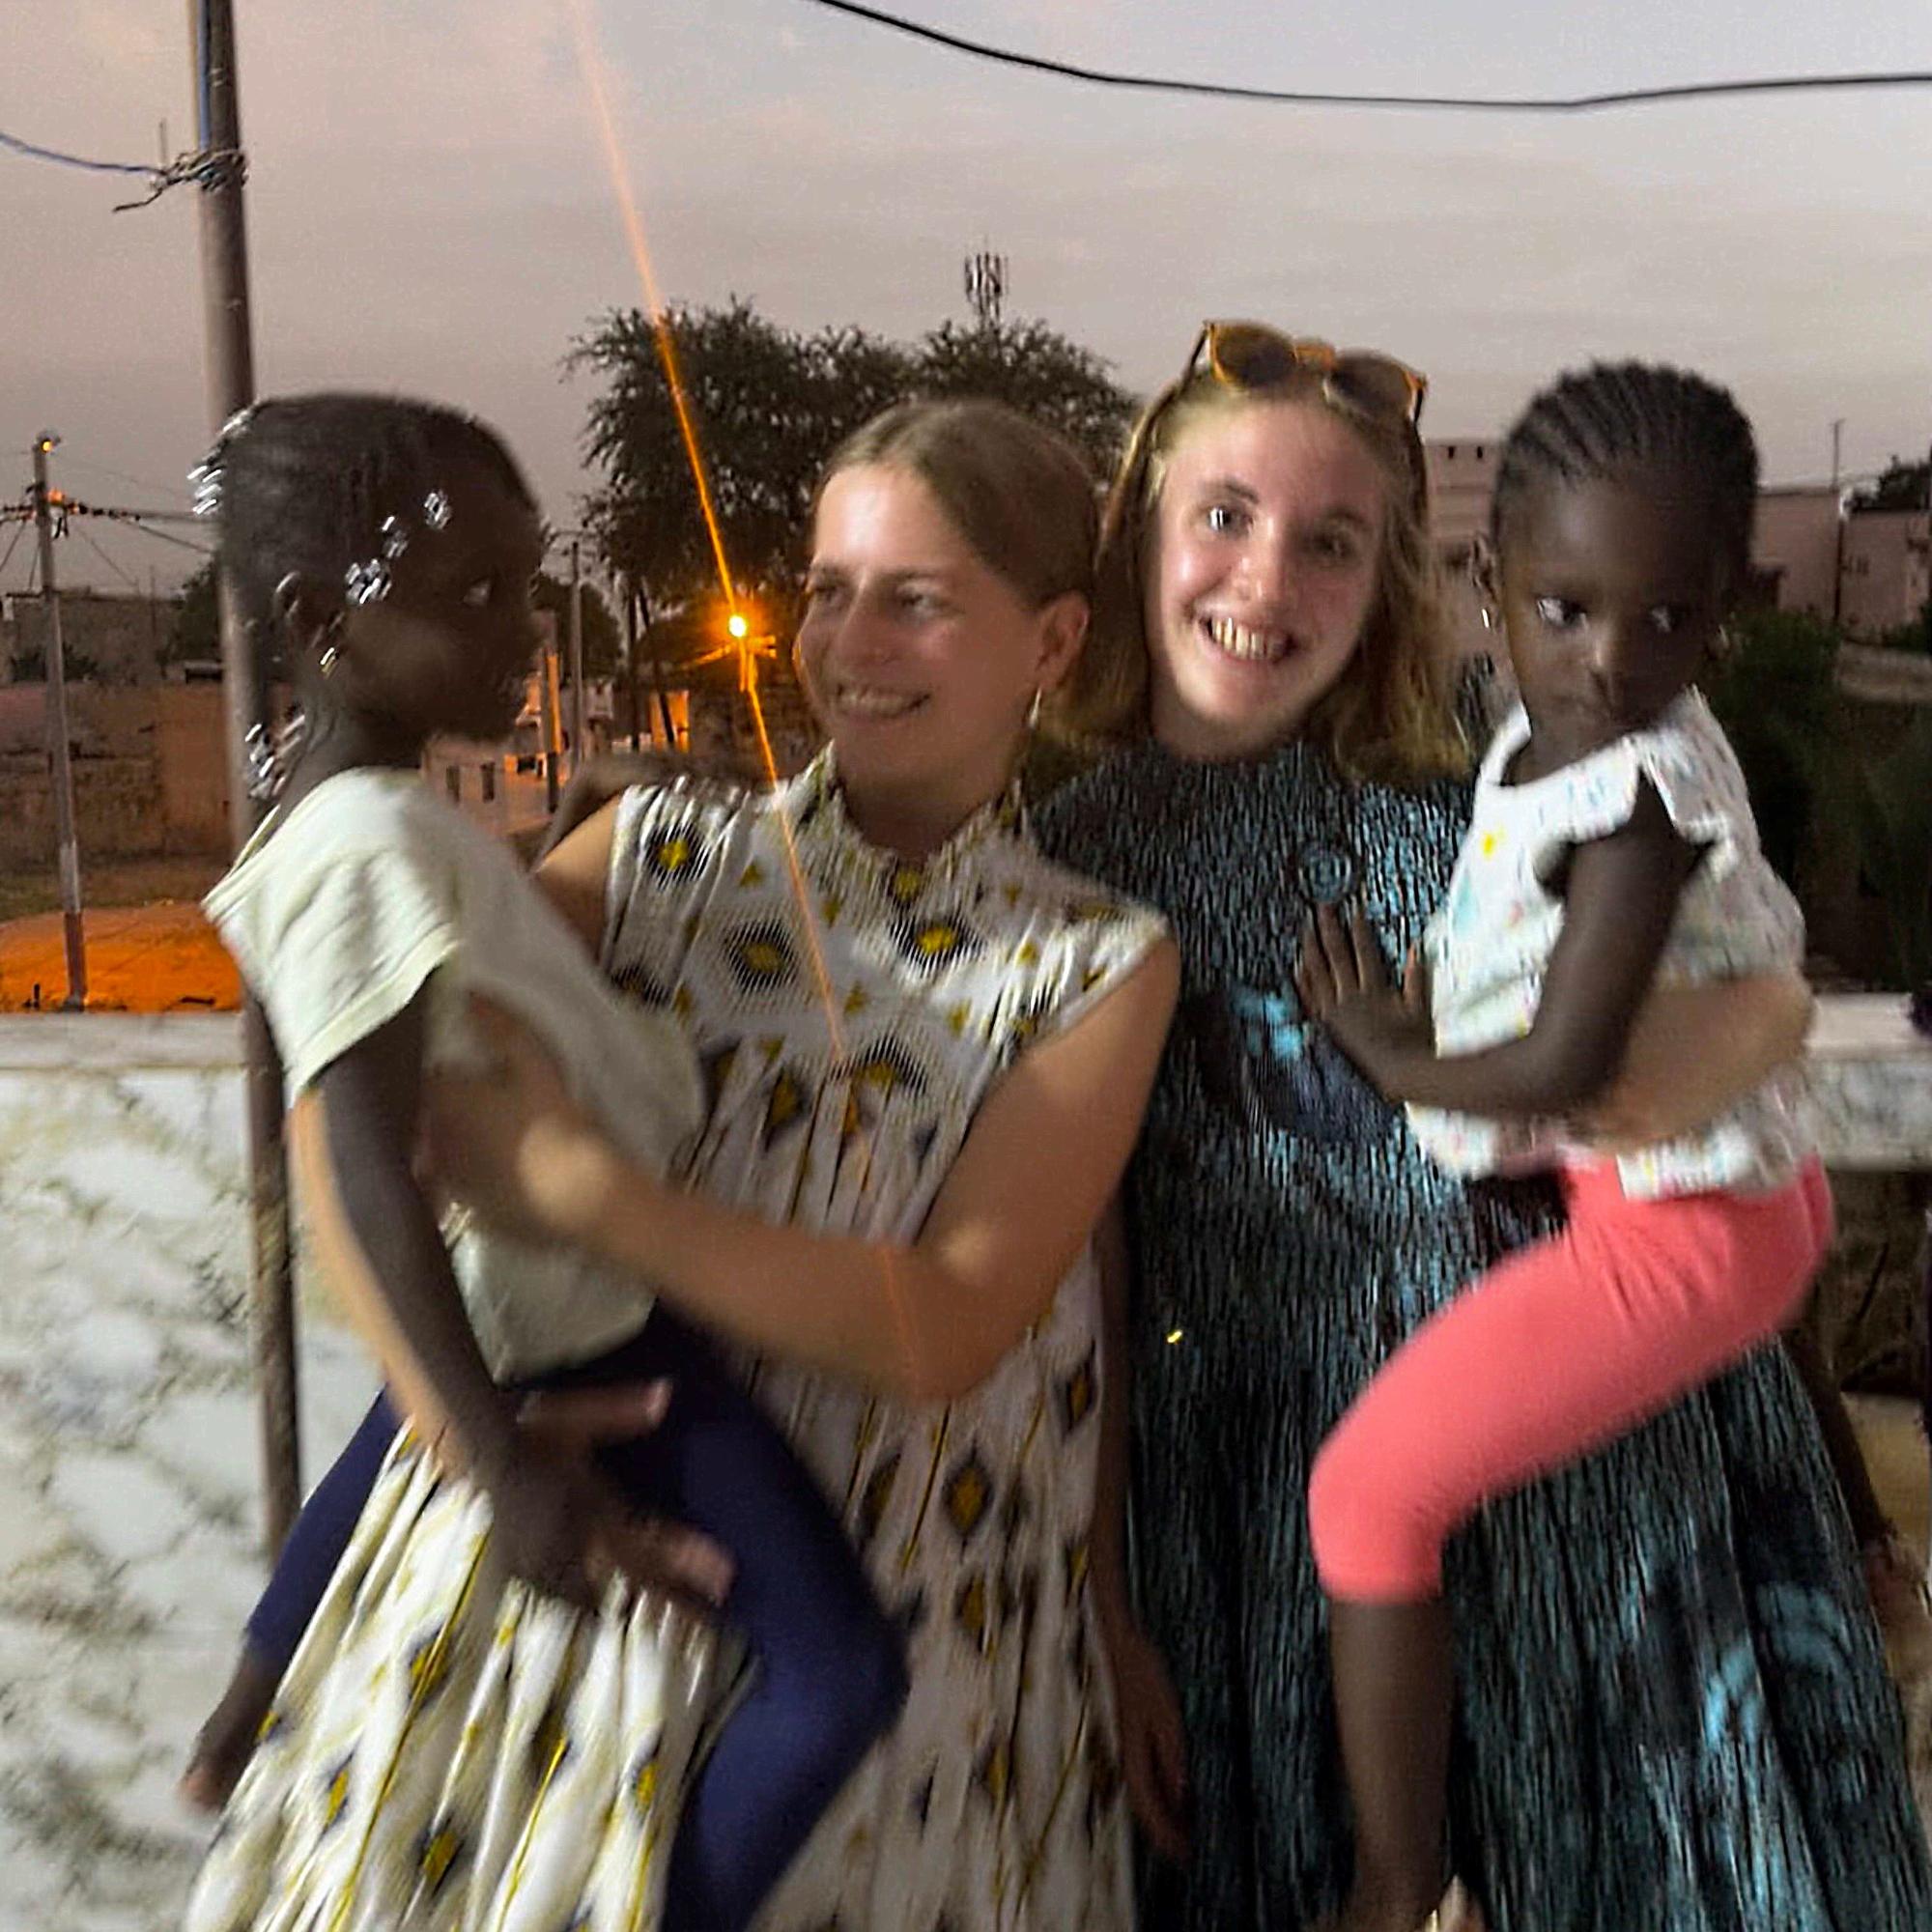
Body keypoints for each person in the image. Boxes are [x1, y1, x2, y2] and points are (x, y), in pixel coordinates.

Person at [189, 396, 1179, 1931]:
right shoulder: (658, 857)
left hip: (931, 1598)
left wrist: (589, 1198)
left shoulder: (1095, 960)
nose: (852, 642)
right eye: (832, 591)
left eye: (917, 601)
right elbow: (353, 1102)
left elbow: (950, 1322)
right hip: (593, 1576)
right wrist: (481, 1442)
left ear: (1051, 646)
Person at [1035, 322, 1932, 1930]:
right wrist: (1101, 1596)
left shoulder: (1493, 778)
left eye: (1332, 542)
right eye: (1225, 516)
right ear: (1140, 532)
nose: (1268, 580)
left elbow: (1703, 1136)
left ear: (1391, 578)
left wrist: (1852, 1509)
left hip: (1593, 1470)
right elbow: (1081, 1267)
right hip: (1238, 1505)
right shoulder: (1059, 857)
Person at [1290, 362, 1830, 1932]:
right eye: (1571, 608)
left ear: (1723, 613)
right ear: (1490, 581)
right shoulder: (1542, 735)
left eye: (1669, 620)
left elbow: (1574, 1060)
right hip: (1693, 1188)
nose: (1614, 659)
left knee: (1367, 1496)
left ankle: (1398, 1889)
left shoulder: (1643, 794)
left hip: (1682, 1229)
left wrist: (1392, 1054)